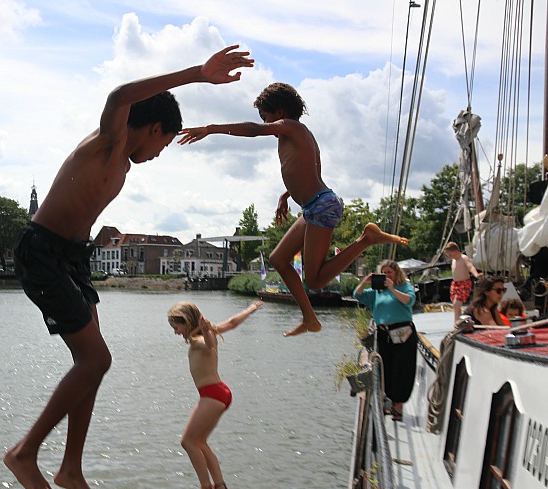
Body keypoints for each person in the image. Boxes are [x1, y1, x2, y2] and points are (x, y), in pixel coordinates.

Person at [4, 46, 254, 489]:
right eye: (163, 143)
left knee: (94, 364)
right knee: (95, 360)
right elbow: (120, 96)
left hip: (73, 258)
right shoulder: (110, 142)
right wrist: (197, 73)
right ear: (154, 128)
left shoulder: (122, 162)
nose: (159, 153)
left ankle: (71, 467)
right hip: (43, 254)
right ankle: (24, 452)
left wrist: (94, 244)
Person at [177, 82, 408, 336]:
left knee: (315, 280)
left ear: (279, 111)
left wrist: (211, 129)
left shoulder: (291, 127)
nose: (266, 123)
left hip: (321, 207)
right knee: (278, 259)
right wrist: (286, 195)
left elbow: (254, 131)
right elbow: (312, 172)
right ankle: (310, 318)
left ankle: (366, 239)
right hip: (315, 206)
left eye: (266, 117)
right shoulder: (299, 136)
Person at [167, 300, 262, 489]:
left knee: (188, 442)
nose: (175, 332)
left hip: (212, 394)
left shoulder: (199, 338)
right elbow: (232, 323)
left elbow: (209, 344)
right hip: (218, 393)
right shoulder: (205, 332)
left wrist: (206, 332)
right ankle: (219, 486)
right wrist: (251, 308)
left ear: (187, 321)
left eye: (176, 327)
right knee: (199, 442)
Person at [354, 260, 416, 422]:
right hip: (384, 334)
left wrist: (392, 288)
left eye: (390, 272)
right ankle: (386, 402)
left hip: (403, 333)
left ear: (396, 273)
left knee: (402, 369)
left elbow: (408, 301)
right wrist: (365, 281)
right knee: (385, 369)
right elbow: (357, 295)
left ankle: (398, 407)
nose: (387, 275)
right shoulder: (376, 292)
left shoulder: (404, 287)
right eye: (384, 272)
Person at [444, 241, 480, 323]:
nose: (450, 256)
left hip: (464, 283)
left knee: (457, 304)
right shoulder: (454, 260)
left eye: (451, 254)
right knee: (455, 305)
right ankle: (459, 322)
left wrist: (476, 274)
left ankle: (456, 324)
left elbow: (470, 266)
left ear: (455, 251)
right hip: (455, 283)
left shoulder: (464, 258)